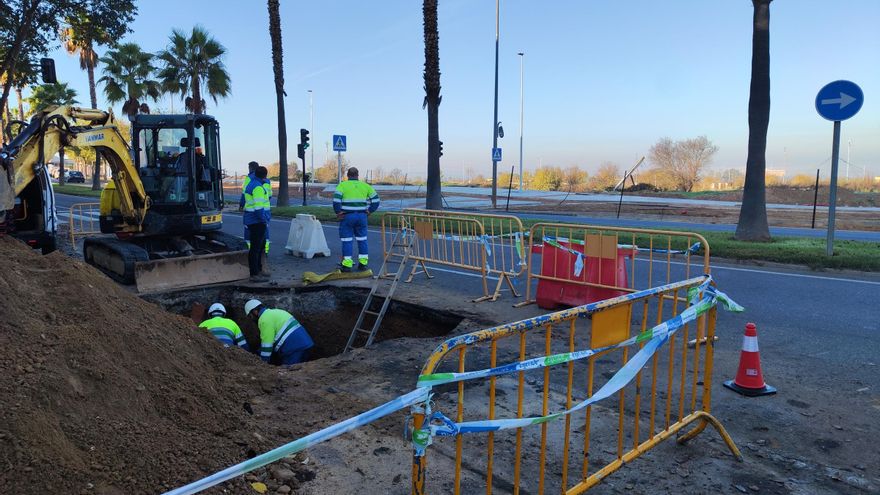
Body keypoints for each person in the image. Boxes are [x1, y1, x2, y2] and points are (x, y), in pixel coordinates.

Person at [332, 167, 380, 272]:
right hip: (362, 216)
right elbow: (376, 200)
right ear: (358, 175)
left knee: (347, 241)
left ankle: (347, 265)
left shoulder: (342, 185)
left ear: (348, 175)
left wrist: (338, 212)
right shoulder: (366, 186)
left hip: (347, 216)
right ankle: (363, 264)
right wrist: (370, 210)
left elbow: (336, 201)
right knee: (362, 240)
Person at [244, 299, 314, 365]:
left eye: (250, 316)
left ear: (255, 311)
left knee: (287, 374)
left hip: (293, 349)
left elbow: (267, 345)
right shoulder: (276, 312)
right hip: (306, 345)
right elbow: (275, 339)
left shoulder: (264, 319)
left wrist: (263, 364)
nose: (252, 319)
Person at [243, 165, 271, 280]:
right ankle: (254, 274)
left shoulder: (251, 184)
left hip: (252, 220)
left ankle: (258, 270)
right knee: (256, 248)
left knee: (259, 246)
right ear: (265, 176)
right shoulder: (258, 188)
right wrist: (264, 220)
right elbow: (259, 208)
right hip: (257, 221)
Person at [239, 161, 270, 254]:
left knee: (250, 236)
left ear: (251, 168)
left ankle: (250, 252)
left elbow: (245, 194)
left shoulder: (250, 180)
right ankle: (265, 252)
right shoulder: (267, 181)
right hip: (265, 212)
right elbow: (269, 195)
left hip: (254, 214)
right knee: (264, 235)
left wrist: (241, 205)